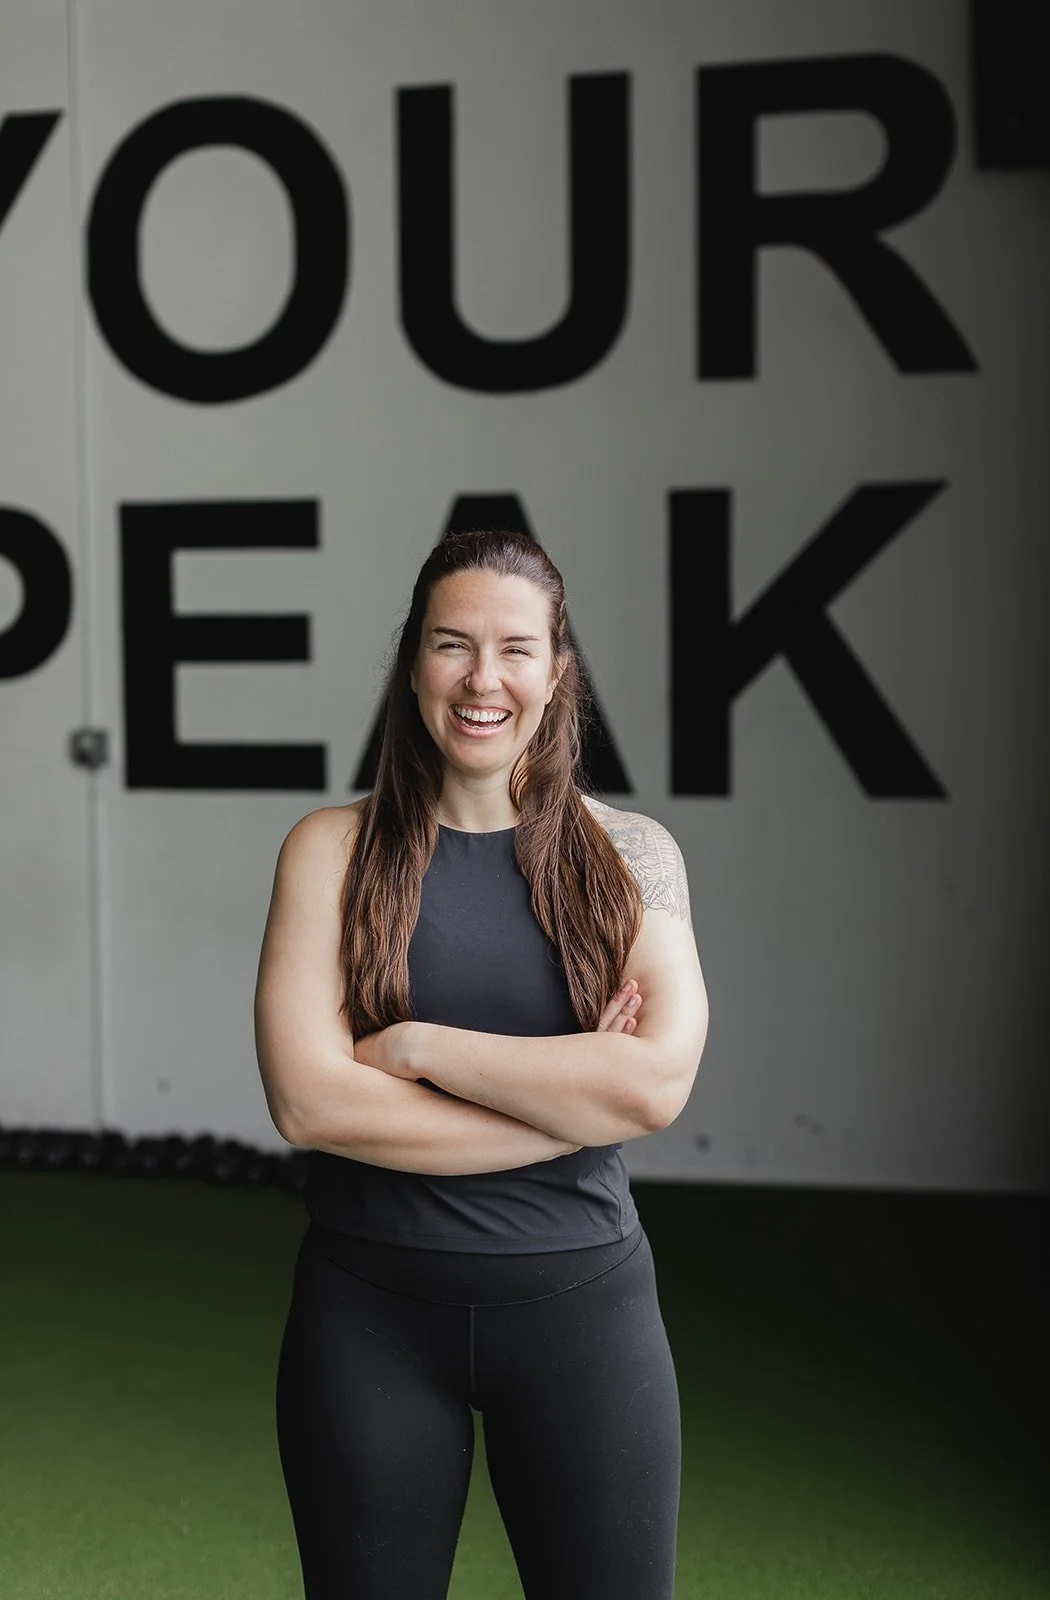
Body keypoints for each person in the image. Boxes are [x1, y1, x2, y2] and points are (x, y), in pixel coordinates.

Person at [254, 528, 709, 1600]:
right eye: (452, 645)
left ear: (558, 671)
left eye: (515, 648)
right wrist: (568, 1101)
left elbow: (652, 1085)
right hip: (365, 1318)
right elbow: (309, 1101)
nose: (482, 678)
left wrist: (418, 1049)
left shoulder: (631, 856)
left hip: (585, 1315)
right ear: (414, 662)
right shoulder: (327, 850)